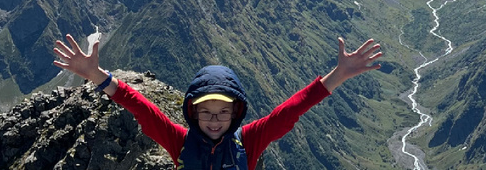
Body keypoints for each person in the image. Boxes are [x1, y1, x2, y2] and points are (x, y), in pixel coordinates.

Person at [52, 33, 382, 170]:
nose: (214, 120)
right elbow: (141, 107)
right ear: (193, 113)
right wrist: (97, 76)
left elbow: (290, 111)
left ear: (236, 113)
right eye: (206, 112)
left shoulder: (248, 142)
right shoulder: (179, 141)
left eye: (223, 112)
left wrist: (337, 75)